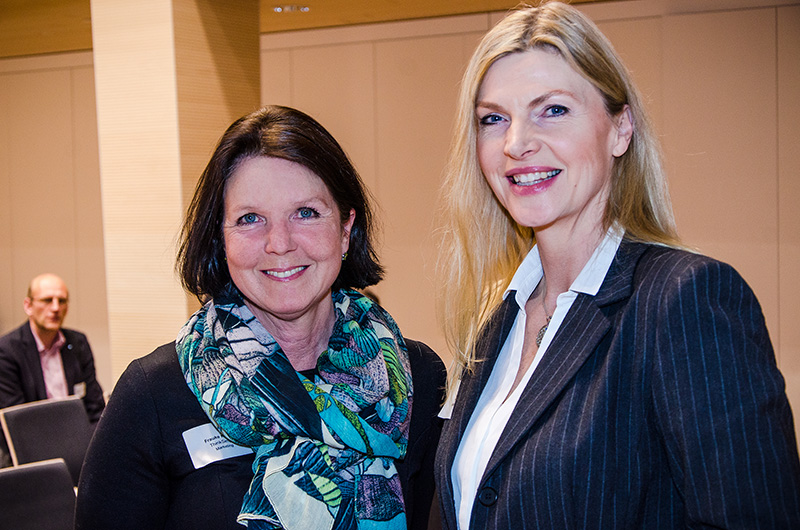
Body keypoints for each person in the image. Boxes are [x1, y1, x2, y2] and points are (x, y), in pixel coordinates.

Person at [433, 2, 800, 529]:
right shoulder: (497, 315)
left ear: (620, 129)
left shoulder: (683, 300)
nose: (516, 143)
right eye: (494, 119)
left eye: (552, 110)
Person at [76, 105, 445, 530]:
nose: (279, 243)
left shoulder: (417, 377)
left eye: (306, 213)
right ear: (220, 238)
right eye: (250, 219)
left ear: (345, 230)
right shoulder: (153, 396)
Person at [0, 273, 105, 422]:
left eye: (62, 301)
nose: (56, 308)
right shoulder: (7, 351)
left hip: (77, 432)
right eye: (47, 300)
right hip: (33, 433)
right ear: (28, 306)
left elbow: (94, 405)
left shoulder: (77, 342)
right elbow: (16, 420)